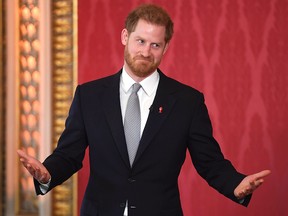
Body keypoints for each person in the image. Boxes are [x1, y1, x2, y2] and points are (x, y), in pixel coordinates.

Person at [17, 3, 271, 216]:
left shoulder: (187, 101)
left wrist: (236, 185)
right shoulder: (90, 95)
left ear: (165, 48)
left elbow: (209, 162)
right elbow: (69, 154)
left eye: (155, 45)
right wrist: (47, 172)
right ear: (125, 37)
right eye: (140, 41)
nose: (146, 52)